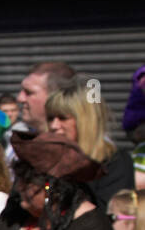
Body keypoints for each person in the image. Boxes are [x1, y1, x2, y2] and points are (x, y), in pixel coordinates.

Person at [44, 79, 134, 208]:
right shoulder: (43, 161)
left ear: (85, 120)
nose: (54, 126)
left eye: (62, 118)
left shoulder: (114, 163)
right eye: (50, 118)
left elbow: (109, 214)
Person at [16, 60, 76, 136]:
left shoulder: (82, 144)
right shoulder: (18, 140)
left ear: (54, 96)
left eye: (29, 92)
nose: (20, 98)